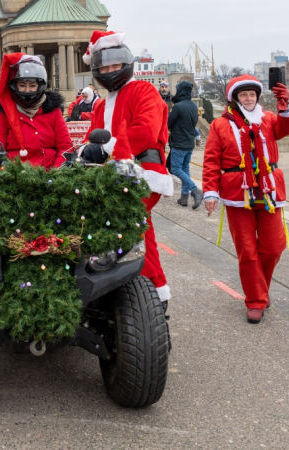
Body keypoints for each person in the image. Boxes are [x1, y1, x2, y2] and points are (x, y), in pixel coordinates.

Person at [81, 30, 174, 309]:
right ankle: (153, 291)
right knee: (140, 230)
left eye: (115, 66)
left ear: (126, 64)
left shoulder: (143, 90)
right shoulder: (101, 104)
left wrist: (106, 145)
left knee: (128, 227)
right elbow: (92, 137)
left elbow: (145, 131)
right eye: (104, 67)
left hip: (143, 171)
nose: (110, 71)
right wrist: (86, 150)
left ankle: (142, 294)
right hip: (113, 175)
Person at [203, 74, 289, 324]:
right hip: (237, 192)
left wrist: (285, 107)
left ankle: (260, 291)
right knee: (247, 250)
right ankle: (255, 300)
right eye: (243, 95)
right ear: (235, 98)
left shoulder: (268, 119)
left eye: (252, 95)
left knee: (274, 246)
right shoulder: (219, 125)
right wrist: (210, 191)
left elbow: (288, 128)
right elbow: (211, 160)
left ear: (257, 97)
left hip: (268, 189)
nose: (248, 99)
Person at [0, 53, 73, 169]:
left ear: (40, 86)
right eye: (22, 85)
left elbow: (65, 146)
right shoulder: (4, 112)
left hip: (49, 174)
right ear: (15, 86)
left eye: (32, 85)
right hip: (14, 175)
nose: (27, 90)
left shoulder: (53, 110)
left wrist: (57, 172)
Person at [167, 80, 202, 209]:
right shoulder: (193, 106)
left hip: (179, 143)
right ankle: (184, 197)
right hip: (189, 143)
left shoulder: (178, 106)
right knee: (185, 168)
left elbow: (169, 124)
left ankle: (195, 190)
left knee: (176, 169)